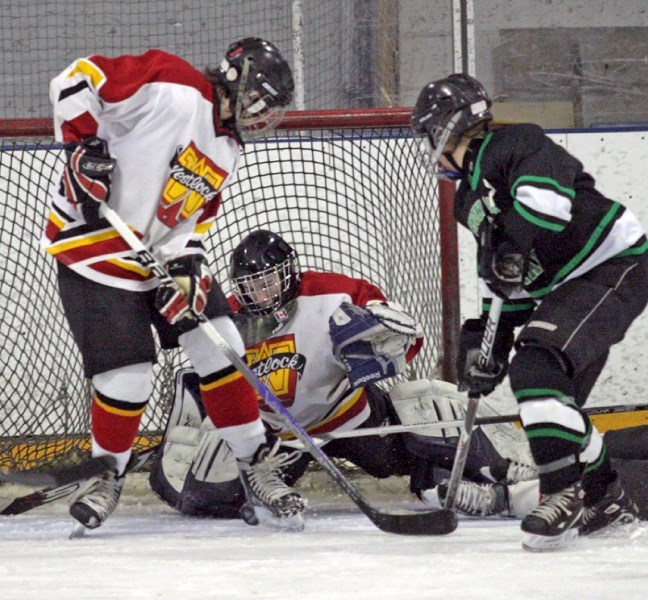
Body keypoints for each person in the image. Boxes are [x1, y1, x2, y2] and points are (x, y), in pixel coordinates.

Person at [40, 38, 301, 532]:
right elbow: (77, 78)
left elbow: (188, 222)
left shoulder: (227, 149)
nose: (262, 112)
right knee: (128, 376)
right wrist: (82, 148)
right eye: (259, 97)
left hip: (158, 256)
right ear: (233, 77)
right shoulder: (172, 82)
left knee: (219, 345)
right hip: (92, 250)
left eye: (270, 105)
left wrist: (188, 264)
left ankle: (255, 465)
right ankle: (106, 477)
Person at [411, 73, 648, 551]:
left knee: (537, 366)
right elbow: (503, 279)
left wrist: (512, 246)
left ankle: (563, 492)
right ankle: (604, 495)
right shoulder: (467, 198)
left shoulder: (515, 142)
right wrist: (488, 342)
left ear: (449, 127)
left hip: (616, 263)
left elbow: (547, 204)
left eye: (431, 133)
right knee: (550, 399)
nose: (430, 146)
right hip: (573, 285)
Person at [149, 229, 536, 520]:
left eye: (267, 281)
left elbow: (405, 336)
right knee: (210, 487)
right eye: (251, 285)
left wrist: (378, 344)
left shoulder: (335, 291)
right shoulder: (229, 316)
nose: (260, 293)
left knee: (428, 400)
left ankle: (487, 474)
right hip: (281, 438)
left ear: (288, 273)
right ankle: (260, 497)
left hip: (351, 416)